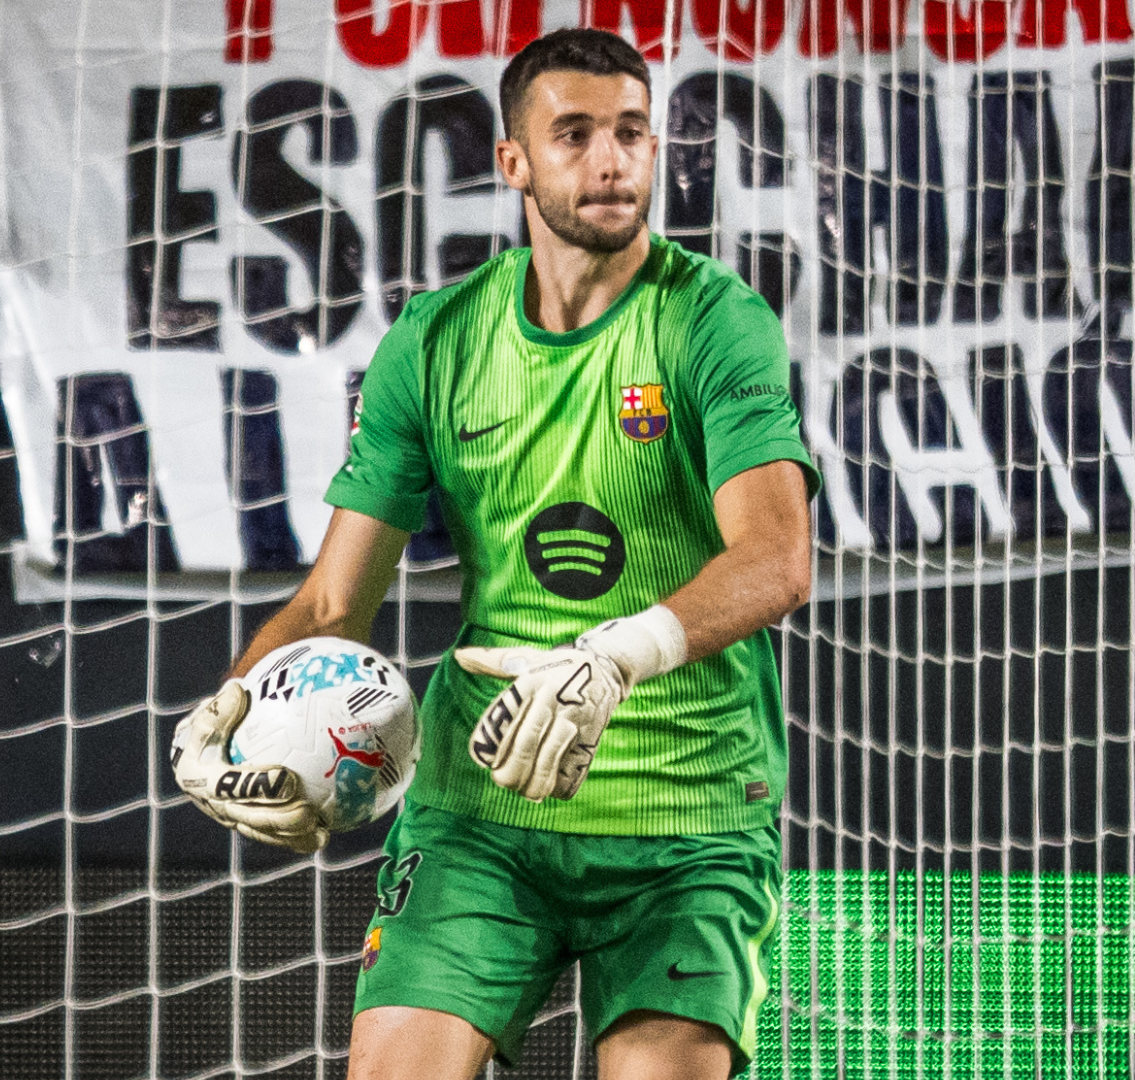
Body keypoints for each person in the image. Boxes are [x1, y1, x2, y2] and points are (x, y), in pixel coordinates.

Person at [168, 28, 816, 1080]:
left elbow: (779, 558)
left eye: (632, 133)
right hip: (481, 819)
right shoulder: (438, 340)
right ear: (513, 163)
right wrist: (226, 717)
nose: (611, 159)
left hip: (686, 825)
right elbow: (334, 603)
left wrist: (615, 656)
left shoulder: (713, 321)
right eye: (575, 135)